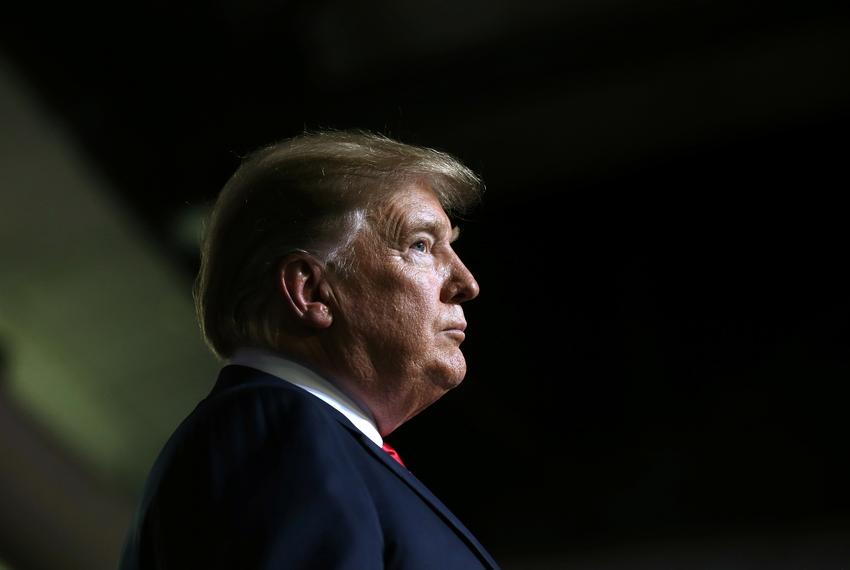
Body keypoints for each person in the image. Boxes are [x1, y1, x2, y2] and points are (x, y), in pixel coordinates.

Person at [118, 130, 500, 569]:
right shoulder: (277, 438)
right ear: (311, 290)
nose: (466, 282)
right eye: (420, 245)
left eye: (451, 246)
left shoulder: (300, 438)